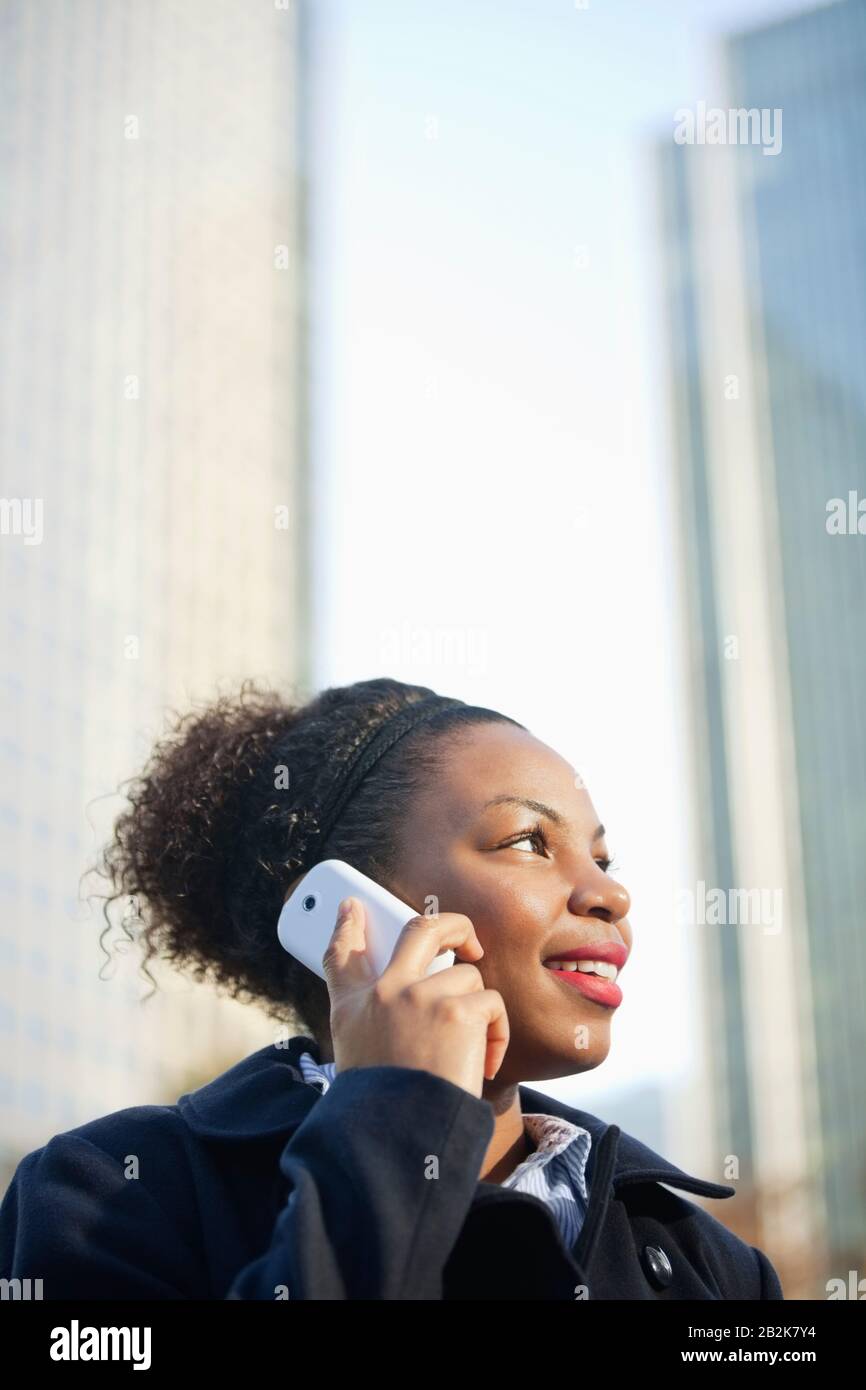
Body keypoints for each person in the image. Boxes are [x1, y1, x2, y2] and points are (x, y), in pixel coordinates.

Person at [0, 676, 784, 1299]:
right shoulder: (105, 1196)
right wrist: (396, 1121)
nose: (609, 895)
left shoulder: (713, 1266)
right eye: (525, 842)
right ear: (353, 913)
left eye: (602, 861)